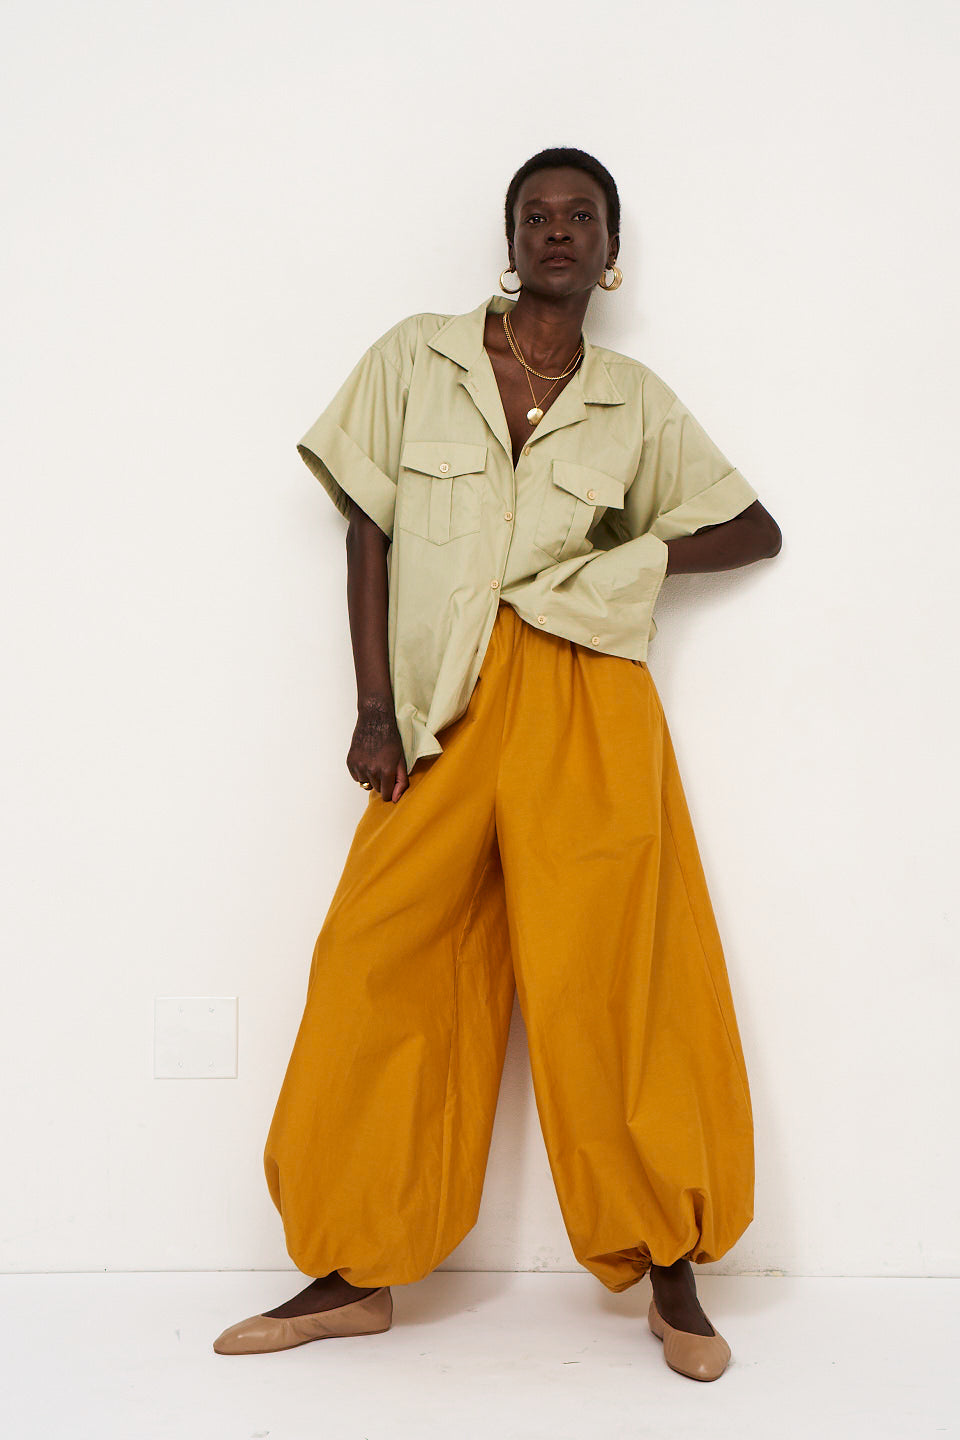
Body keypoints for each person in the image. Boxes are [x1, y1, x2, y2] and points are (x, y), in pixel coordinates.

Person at [213, 146, 782, 1382]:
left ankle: (671, 1266)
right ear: (511, 239)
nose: (557, 230)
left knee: (616, 973)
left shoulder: (634, 401)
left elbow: (753, 528)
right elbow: (366, 530)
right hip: (443, 709)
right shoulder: (416, 359)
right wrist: (375, 707)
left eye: (581, 216)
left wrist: (624, 566)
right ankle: (356, 1269)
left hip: (586, 698)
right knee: (379, 962)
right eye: (536, 214)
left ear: (610, 251)